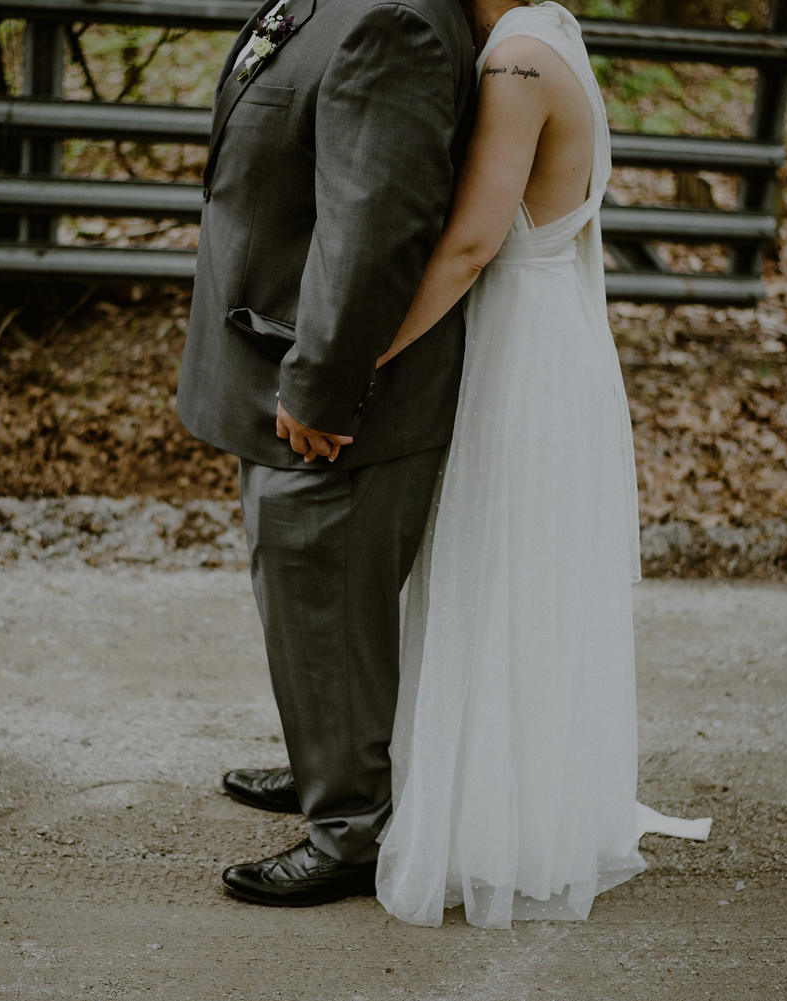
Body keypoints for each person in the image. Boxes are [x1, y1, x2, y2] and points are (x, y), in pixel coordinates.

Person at [370, 0, 710, 929]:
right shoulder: (549, 32)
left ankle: (494, 830)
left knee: (500, 574)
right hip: (551, 329)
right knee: (523, 580)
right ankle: (515, 800)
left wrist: (367, 353)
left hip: (521, 349)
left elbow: (477, 241)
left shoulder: (513, 61)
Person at [177, 0, 477, 906]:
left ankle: (350, 826)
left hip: (331, 390)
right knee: (308, 597)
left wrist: (319, 381)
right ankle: (327, 761)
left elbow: (375, 226)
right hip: (271, 348)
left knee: (327, 586)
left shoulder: (394, 22)